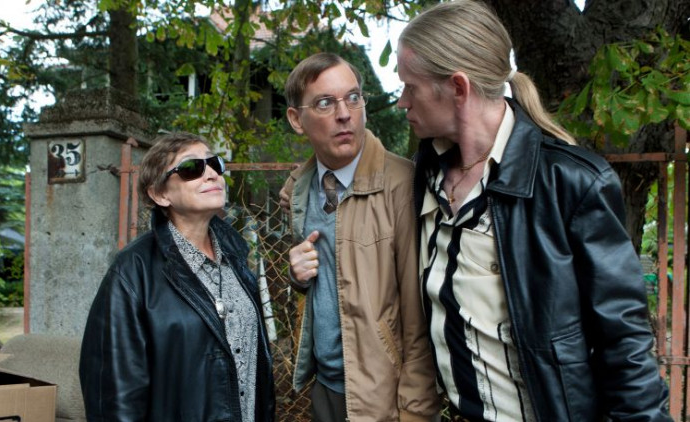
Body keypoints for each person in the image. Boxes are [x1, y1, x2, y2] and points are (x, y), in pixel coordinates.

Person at [396, 1, 671, 420]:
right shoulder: (425, 175)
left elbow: (625, 343)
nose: (402, 102)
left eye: (410, 87)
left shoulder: (571, 183)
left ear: (457, 88)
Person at [281, 52, 440, 422]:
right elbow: (331, 278)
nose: (344, 114)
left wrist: (416, 412)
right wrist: (297, 276)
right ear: (296, 119)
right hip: (326, 388)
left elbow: (419, 318)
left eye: (353, 98)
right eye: (325, 103)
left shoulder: (402, 186)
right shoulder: (301, 190)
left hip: (385, 399)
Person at [79, 132, 275, 421]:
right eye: (192, 168)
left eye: (215, 164)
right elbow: (114, 395)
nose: (211, 174)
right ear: (160, 194)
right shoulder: (132, 272)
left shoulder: (236, 259)